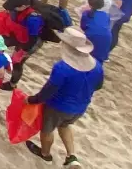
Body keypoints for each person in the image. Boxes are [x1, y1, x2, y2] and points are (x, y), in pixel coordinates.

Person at [24, 28, 104, 169]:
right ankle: (71, 156)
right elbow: (98, 86)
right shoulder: (97, 65)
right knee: (65, 125)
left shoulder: (62, 68)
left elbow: (49, 90)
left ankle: (45, 154)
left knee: (47, 130)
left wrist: (33, 100)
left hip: (58, 106)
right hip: (80, 107)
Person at [0, 0, 47, 91]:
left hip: (32, 40)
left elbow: (32, 39)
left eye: (13, 8)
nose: (10, 10)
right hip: (20, 32)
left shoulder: (33, 18)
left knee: (17, 62)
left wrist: (23, 51)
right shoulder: (22, 3)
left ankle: (12, 85)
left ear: (23, 6)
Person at [79, 0, 113, 64]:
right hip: (107, 37)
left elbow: (83, 27)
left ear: (89, 5)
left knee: (87, 56)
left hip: (91, 35)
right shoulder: (106, 15)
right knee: (99, 59)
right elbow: (107, 26)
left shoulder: (86, 13)